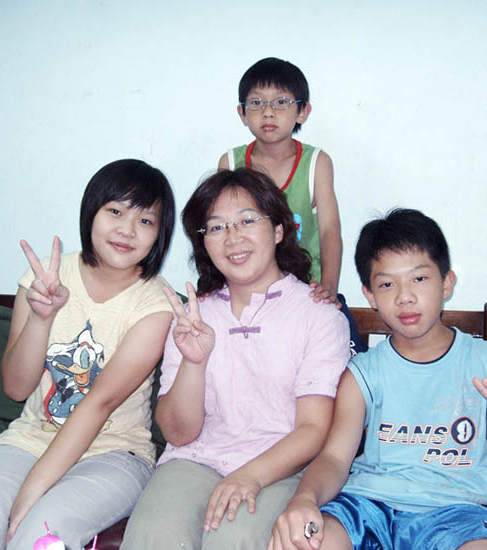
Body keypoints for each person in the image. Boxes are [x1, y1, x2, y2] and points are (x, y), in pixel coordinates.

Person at [268, 208, 487, 550]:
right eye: (387, 284)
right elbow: (335, 459)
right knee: (304, 542)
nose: (404, 296)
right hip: (367, 509)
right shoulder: (363, 374)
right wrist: (303, 499)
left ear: (446, 283)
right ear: (370, 295)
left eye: (419, 279)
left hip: (461, 517)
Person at [0, 159, 177, 550]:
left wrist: (32, 492)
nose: (127, 230)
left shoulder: (156, 304)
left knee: (39, 533)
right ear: (91, 212)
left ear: (159, 234)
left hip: (114, 454)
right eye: (115, 211)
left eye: (145, 220)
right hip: (30, 440)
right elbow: (16, 388)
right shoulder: (45, 278)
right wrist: (41, 318)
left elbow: (99, 404)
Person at [121, 168, 351, 550]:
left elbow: (313, 429)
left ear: (278, 230)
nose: (232, 238)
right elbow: (177, 434)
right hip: (196, 460)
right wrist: (194, 362)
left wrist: (250, 476)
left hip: (281, 466)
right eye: (216, 227)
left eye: (247, 221)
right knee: (154, 535)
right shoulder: (194, 316)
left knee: (234, 538)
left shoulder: (319, 316)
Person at [217, 58, 355, 326]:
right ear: (242, 113)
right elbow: (222, 230)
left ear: (302, 111)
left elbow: (329, 231)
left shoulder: (316, 163)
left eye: (281, 102)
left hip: (305, 290)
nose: (268, 112)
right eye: (256, 102)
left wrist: (328, 285)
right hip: (248, 291)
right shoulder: (231, 163)